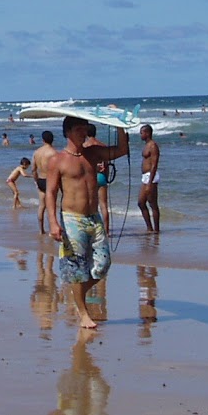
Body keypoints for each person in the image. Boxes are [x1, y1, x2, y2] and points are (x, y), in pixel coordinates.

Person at [45, 117, 129, 331]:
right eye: (79, 130)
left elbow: (121, 150)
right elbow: (51, 193)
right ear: (68, 132)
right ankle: (83, 313)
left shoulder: (93, 153)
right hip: (72, 219)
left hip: (94, 218)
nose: (84, 133)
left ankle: (78, 294)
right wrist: (53, 223)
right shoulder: (58, 160)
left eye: (85, 129)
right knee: (76, 270)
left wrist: (118, 123)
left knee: (103, 265)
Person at [137, 124, 161, 233]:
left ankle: (156, 229)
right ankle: (149, 228)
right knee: (141, 203)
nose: (140, 134)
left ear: (147, 133)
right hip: (145, 177)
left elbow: (154, 164)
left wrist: (150, 182)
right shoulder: (146, 145)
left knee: (152, 203)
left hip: (151, 176)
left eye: (141, 132)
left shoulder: (153, 146)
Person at [31, 130, 57, 234]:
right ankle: (52, 230)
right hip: (50, 181)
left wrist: (36, 180)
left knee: (42, 206)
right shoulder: (53, 153)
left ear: (43, 140)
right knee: (51, 206)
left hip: (40, 179)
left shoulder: (37, 152)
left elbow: (33, 169)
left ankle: (41, 230)